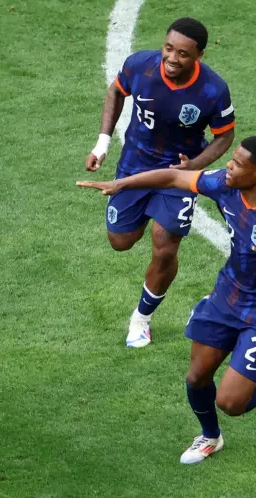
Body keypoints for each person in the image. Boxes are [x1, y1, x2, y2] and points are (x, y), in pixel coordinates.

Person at [78, 136, 256, 464]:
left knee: (232, 403)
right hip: (225, 297)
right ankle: (210, 437)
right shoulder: (225, 184)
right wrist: (121, 184)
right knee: (196, 377)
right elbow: (174, 177)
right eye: (231, 160)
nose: (228, 167)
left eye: (237, 164)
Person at [84, 17, 236, 348]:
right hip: (134, 167)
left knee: (164, 246)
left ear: (199, 56)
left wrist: (194, 166)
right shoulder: (141, 65)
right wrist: (102, 143)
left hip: (177, 177)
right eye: (168, 48)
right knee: (121, 241)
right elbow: (116, 91)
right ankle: (141, 217)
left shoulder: (213, 90)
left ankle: (141, 319)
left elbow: (225, 136)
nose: (171, 58)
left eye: (183, 53)